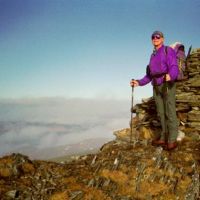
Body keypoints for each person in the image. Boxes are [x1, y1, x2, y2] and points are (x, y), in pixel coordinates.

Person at [130, 31, 179, 150]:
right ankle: (163, 136)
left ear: (162, 39)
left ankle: (172, 139)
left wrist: (171, 75)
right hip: (156, 86)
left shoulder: (168, 50)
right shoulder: (152, 56)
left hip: (167, 84)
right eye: (153, 37)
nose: (155, 38)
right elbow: (149, 75)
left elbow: (173, 66)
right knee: (161, 113)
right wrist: (138, 82)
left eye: (158, 37)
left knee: (170, 111)